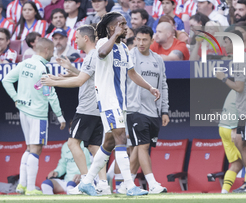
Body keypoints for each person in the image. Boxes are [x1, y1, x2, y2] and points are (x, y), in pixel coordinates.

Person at [77, 12, 160, 196]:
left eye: (125, 23)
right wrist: (113, 35)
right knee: (121, 138)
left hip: (120, 101)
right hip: (107, 100)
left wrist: (150, 88)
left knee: (108, 142)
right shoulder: (102, 43)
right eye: (121, 24)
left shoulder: (123, 48)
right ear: (112, 28)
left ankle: (87, 181)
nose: (126, 27)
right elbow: (101, 53)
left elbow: (132, 73)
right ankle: (129, 185)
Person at [41, 25, 111, 195]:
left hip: (86, 108)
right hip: (96, 108)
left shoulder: (92, 55)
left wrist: (54, 83)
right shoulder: (95, 55)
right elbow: (85, 77)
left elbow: (80, 81)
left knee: (73, 143)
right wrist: (66, 73)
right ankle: (103, 185)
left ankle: (85, 181)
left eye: (77, 37)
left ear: (86, 38)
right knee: (95, 148)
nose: (75, 41)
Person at [2, 38, 66, 195]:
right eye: (51, 51)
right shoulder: (42, 68)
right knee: (36, 149)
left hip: (23, 111)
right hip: (38, 114)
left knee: (30, 148)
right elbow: (51, 93)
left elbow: (6, 80)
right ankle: (30, 188)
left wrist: (16, 98)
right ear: (45, 50)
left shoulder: (23, 63)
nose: (52, 54)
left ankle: (21, 185)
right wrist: (60, 116)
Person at [215, 31, 246, 193]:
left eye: (227, 41)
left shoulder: (241, 59)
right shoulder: (240, 59)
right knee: (241, 142)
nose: (224, 45)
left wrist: (222, 78)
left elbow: (239, 87)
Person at [127, 25, 169, 193]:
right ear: (135, 39)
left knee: (139, 148)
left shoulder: (158, 59)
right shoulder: (130, 57)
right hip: (135, 109)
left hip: (153, 111)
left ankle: (127, 183)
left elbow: (163, 85)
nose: (141, 43)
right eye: (138, 39)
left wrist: (164, 110)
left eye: (145, 40)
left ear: (152, 40)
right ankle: (152, 184)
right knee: (143, 146)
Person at [218, 31, 244, 194]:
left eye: (227, 42)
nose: (224, 45)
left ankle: (224, 193)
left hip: (223, 127)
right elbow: (239, 96)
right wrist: (236, 128)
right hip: (232, 127)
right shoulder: (241, 87)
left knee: (237, 164)